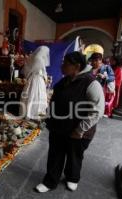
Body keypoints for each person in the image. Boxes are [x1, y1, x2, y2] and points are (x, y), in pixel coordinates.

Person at [35, 51, 105, 193]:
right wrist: (49, 117)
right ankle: (50, 181)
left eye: (65, 64)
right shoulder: (64, 80)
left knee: (74, 155)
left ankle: (72, 178)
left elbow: (97, 110)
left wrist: (80, 130)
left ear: (77, 66)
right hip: (59, 127)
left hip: (78, 130)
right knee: (55, 154)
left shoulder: (91, 84)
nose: (62, 66)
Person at [20, 46, 49, 120]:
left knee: (30, 94)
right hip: (38, 79)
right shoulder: (39, 59)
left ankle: (27, 112)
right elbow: (43, 71)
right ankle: (34, 113)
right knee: (36, 95)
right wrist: (45, 79)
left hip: (32, 78)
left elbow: (28, 70)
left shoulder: (33, 58)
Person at [90, 53, 115, 117]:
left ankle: (96, 114)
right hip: (90, 88)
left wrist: (104, 77)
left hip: (101, 88)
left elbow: (112, 77)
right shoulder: (89, 68)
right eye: (92, 61)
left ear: (100, 60)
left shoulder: (106, 67)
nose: (94, 62)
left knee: (97, 103)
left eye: (96, 61)